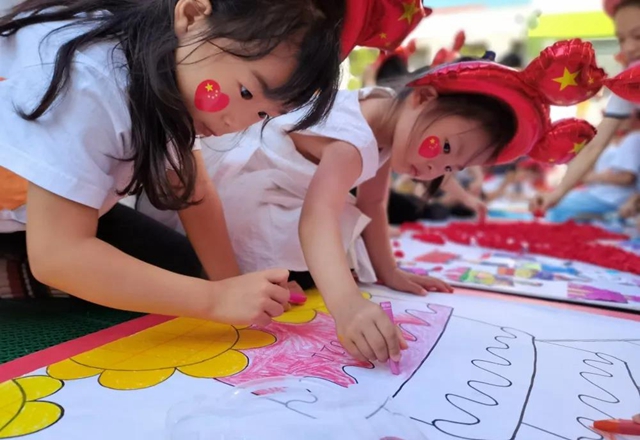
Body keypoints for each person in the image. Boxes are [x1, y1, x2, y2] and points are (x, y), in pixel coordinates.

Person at [141, 39, 604, 363]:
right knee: (320, 249)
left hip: (281, 196)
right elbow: (315, 218)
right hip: (232, 191)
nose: (435, 171)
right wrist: (348, 307)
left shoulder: (387, 118)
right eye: (443, 150)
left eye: (450, 169)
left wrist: (389, 272)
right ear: (422, 98)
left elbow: (376, 204)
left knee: (341, 238)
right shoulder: (353, 138)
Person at [0, 0, 423, 322]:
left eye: (262, 115)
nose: (235, 123)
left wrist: (229, 282)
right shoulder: (92, 79)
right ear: (194, 13)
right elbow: (58, 255)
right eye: (244, 92)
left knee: (179, 274)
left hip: (58, 211)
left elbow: (195, 192)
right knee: (137, 288)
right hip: (26, 218)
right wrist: (216, 300)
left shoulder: (175, 77)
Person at [530, 0, 640, 213]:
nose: (628, 48)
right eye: (621, 39)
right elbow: (595, 145)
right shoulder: (627, 83)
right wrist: (558, 193)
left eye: (638, 36)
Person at [546, 117, 640, 222]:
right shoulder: (617, 139)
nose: (609, 119)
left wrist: (592, 177)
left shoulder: (634, 138)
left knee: (558, 206)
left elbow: (627, 177)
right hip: (600, 193)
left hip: (611, 197)